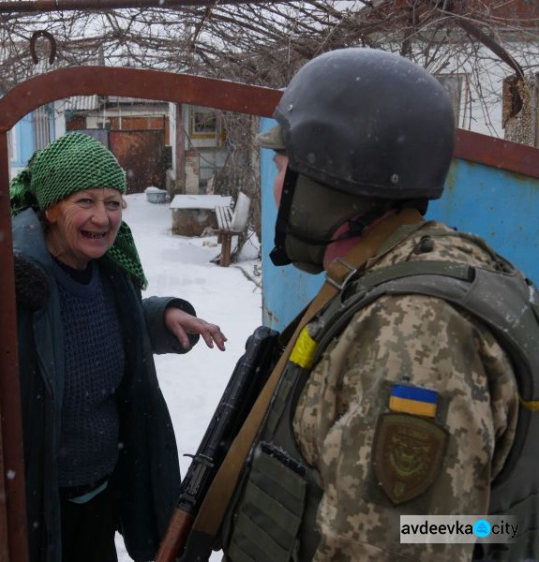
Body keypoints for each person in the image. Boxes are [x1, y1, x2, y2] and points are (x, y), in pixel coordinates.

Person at [218, 48, 539, 561]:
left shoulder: (412, 329)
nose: (275, 189)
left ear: (328, 180)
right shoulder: (412, 267)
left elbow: (402, 543)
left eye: (282, 167)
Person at [9, 132, 228, 562]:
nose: (103, 217)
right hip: (40, 505)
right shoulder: (19, 282)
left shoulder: (109, 270)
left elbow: (104, 330)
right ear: (51, 209)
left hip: (102, 490)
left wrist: (161, 317)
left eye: (113, 202)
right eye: (85, 201)